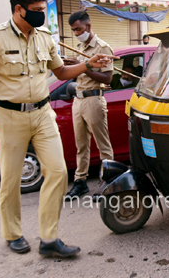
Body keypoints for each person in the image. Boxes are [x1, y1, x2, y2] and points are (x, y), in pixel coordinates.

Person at [0, 0, 116, 257]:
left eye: (43, 10)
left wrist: (89, 64)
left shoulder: (44, 36)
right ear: (18, 9)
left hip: (43, 114)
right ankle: (12, 233)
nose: (42, 15)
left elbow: (62, 72)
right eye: (36, 11)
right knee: (10, 180)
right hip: (10, 116)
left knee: (57, 172)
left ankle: (49, 238)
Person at [63, 11, 114, 201]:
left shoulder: (103, 48)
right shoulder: (80, 47)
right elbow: (78, 73)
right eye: (73, 30)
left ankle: (107, 182)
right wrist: (73, 66)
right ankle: (80, 182)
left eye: (78, 29)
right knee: (81, 146)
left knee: (103, 145)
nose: (76, 33)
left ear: (88, 26)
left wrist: (84, 65)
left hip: (93, 99)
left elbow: (107, 77)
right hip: (78, 99)